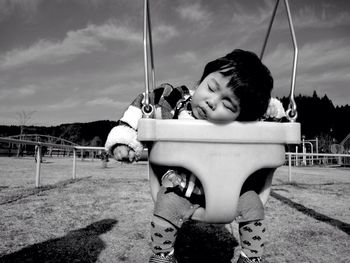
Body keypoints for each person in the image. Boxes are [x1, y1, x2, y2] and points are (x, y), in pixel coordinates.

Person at [105, 49, 282, 263]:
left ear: (241, 115)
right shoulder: (173, 101)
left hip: (229, 190)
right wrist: (124, 139)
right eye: (211, 87)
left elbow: (267, 130)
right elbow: (145, 104)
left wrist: (276, 115)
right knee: (166, 204)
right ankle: (163, 255)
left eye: (227, 104)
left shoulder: (242, 124)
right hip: (181, 187)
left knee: (253, 204)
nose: (211, 102)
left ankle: (251, 257)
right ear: (201, 81)